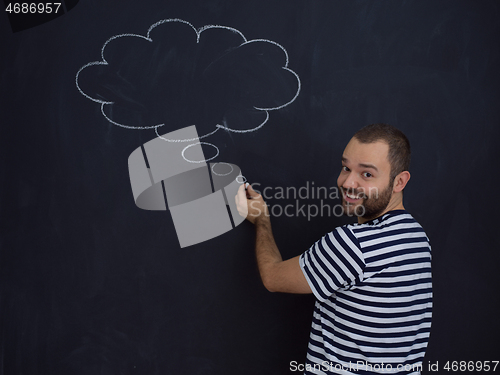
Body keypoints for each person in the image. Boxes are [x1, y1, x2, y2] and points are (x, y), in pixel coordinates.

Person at [235, 123, 432, 375]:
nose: (348, 182)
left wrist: (261, 220)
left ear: (399, 181)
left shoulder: (353, 245)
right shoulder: (417, 237)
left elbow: (273, 277)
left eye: (367, 174)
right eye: (346, 168)